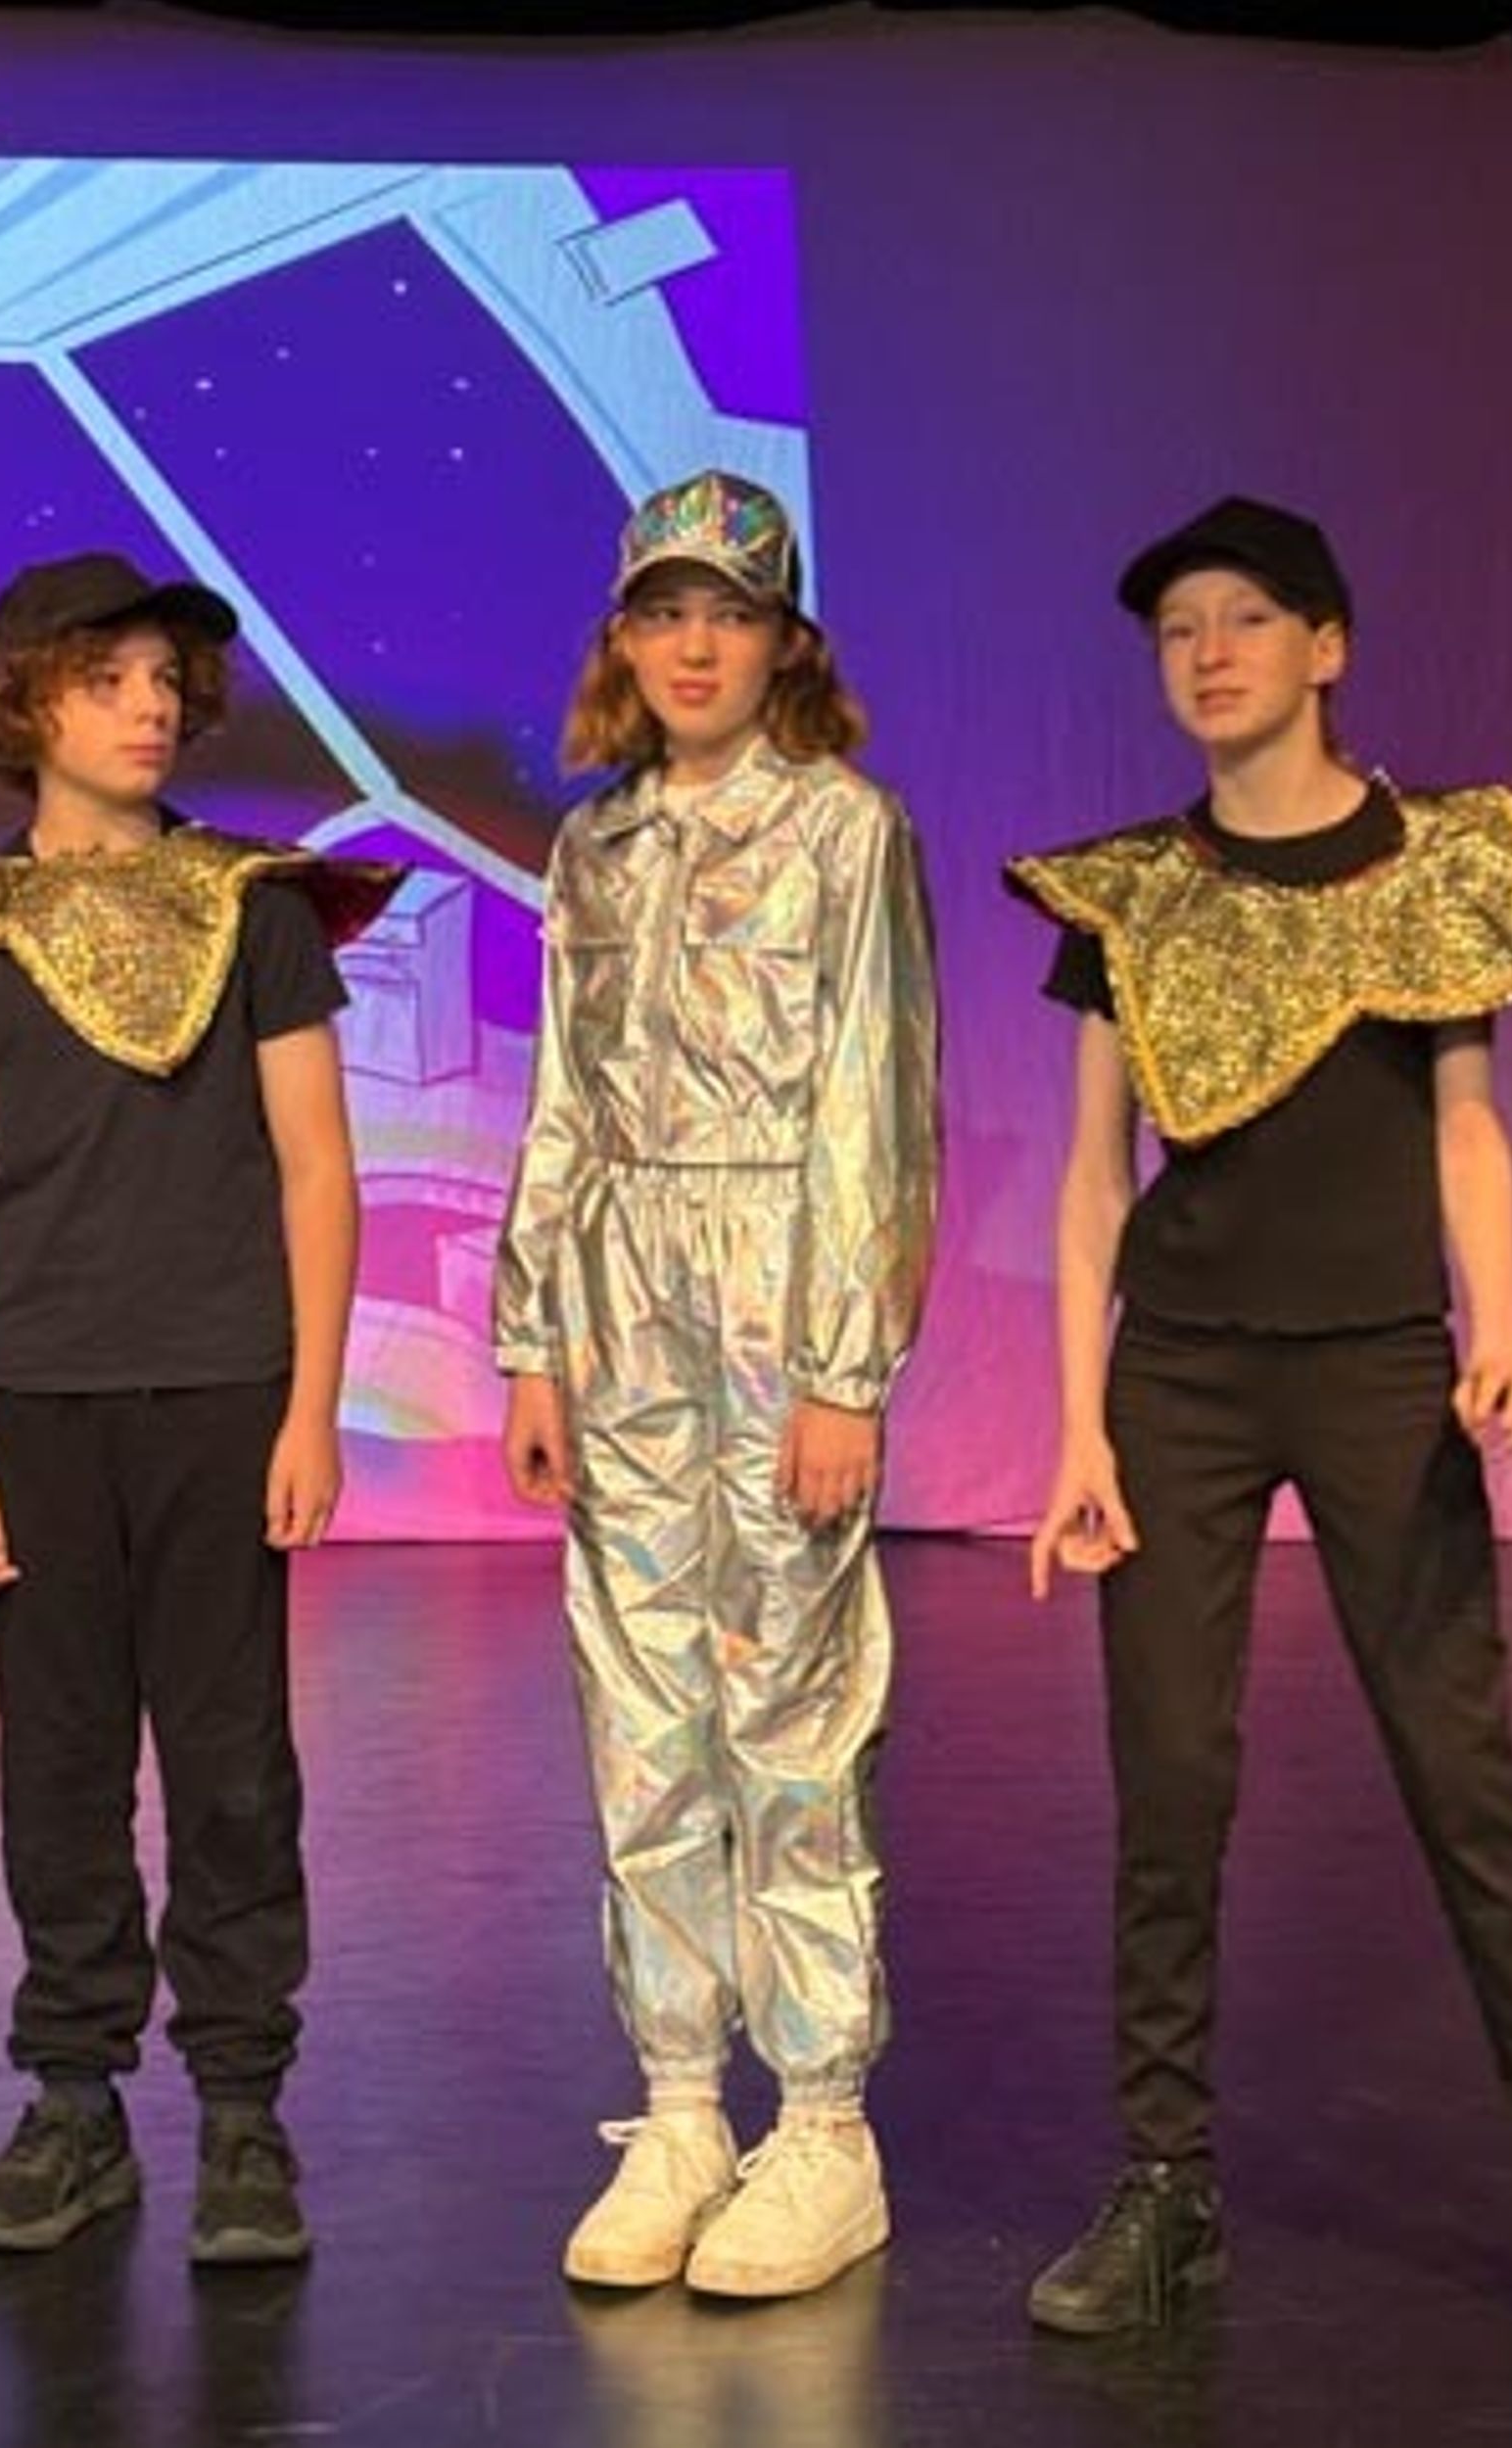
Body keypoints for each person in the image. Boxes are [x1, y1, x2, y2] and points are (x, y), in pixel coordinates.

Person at [1004, 496, 1512, 2347]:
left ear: (1328, 647)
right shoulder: (1130, 892)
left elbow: (1469, 1124)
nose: (1209, 653)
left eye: (1246, 618)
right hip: (1179, 1382)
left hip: (1382, 1369)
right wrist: (1076, 1430)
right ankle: (1165, 2191)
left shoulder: (1438, 865)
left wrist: (1502, 1329)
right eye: (1177, 630)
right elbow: (1091, 1179)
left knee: (1467, 1783)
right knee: (1171, 1787)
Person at [0, 551, 399, 2266]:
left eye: (164, 680)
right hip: (32, 1395)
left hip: (220, 1388)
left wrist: (310, 1408)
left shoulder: (252, 907)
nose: (148, 706)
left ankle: (242, 2112)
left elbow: (317, 1168)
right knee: (57, 1763)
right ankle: (75, 2102)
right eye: (107, 677)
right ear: (29, 702)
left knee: (230, 1762)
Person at [494, 470, 941, 2300]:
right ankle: (682, 2103)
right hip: (621, 1302)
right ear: (623, 637)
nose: (696, 646)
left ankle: (823, 2123)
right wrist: (534, 1333)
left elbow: (875, 1103)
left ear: (785, 642)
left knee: (793, 1706)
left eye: (731, 614)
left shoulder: (845, 830)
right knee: (641, 1705)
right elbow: (561, 1098)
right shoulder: (594, 848)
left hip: (778, 1284)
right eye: (665, 612)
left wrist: (844, 1367)